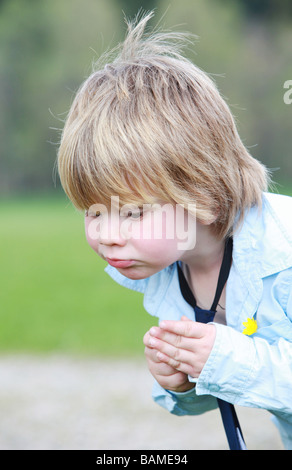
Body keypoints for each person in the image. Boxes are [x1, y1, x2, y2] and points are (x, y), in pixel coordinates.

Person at [57, 11, 292, 449]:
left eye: (131, 213)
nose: (106, 234)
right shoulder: (171, 266)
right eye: (93, 212)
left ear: (200, 191)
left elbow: (235, 363)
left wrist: (223, 358)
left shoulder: (286, 254)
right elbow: (231, 379)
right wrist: (182, 384)